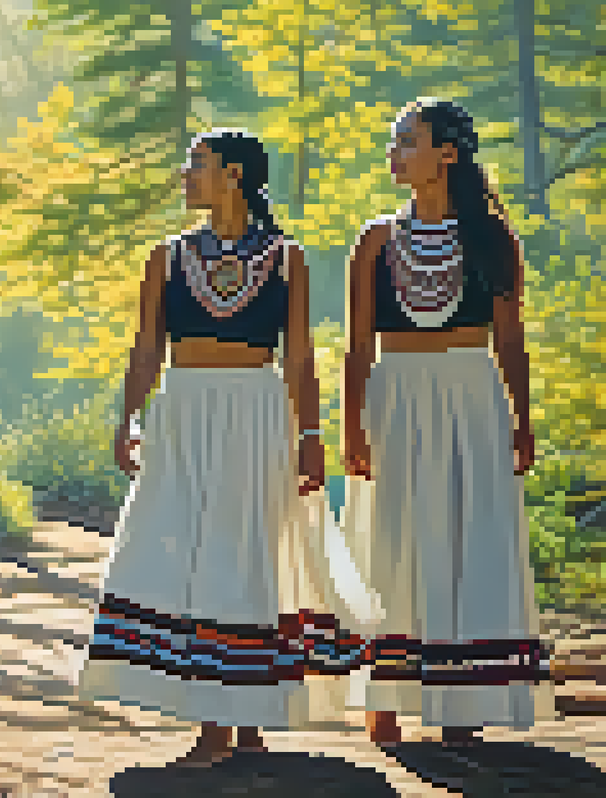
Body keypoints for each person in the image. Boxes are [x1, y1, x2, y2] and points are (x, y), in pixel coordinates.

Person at [76, 130, 376, 767]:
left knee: (244, 551)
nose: (187, 175)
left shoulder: (286, 257)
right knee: (182, 544)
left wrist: (310, 435)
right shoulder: (166, 256)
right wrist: (130, 418)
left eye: (198, 165)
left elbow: (298, 354)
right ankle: (222, 719)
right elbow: (147, 346)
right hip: (182, 409)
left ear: (234, 175)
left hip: (254, 408)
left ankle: (237, 721)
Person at [340, 99, 551, 748]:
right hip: (395, 395)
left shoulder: (492, 239)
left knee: (469, 533)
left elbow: (509, 342)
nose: (394, 152)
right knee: (395, 537)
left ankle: (464, 701)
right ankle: (387, 700)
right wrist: (351, 429)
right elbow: (357, 347)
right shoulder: (376, 240)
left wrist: (522, 420)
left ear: (448, 154)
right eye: (393, 141)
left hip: (472, 394)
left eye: (408, 141)